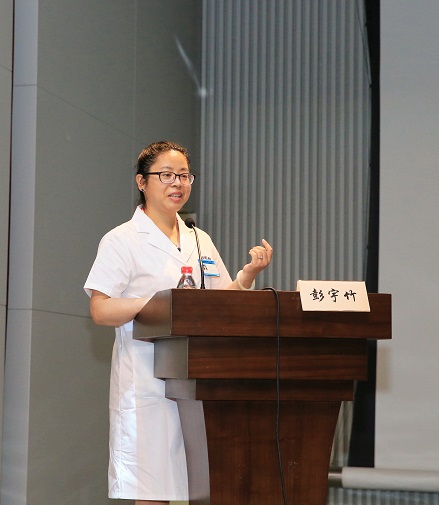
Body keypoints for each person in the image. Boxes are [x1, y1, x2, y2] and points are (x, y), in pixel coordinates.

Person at [84, 140, 273, 505]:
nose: (178, 183)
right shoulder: (122, 239)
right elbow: (100, 309)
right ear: (142, 182)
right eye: (167, 175)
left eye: (185, 175)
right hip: (146, 384)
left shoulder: (199, 239)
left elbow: (219, 302)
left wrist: (247, 275)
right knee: (152, 493)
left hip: (197, 383)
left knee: (197, 489)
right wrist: (158, 304)